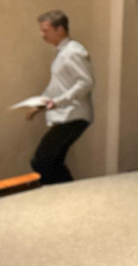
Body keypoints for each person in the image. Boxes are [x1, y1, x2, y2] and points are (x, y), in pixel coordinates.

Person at [26, 10, 94, 184]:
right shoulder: (62, 52)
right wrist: (40, 104)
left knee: (41, 160)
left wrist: (57, 102)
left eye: (45, 30)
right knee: (52, 162)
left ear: (60, 29)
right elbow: (59, 86)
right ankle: (66, 197)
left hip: (74, 115)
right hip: (67, 115)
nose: (42, 35)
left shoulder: (73, 52)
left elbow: (85, 82)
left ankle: (65, 196)